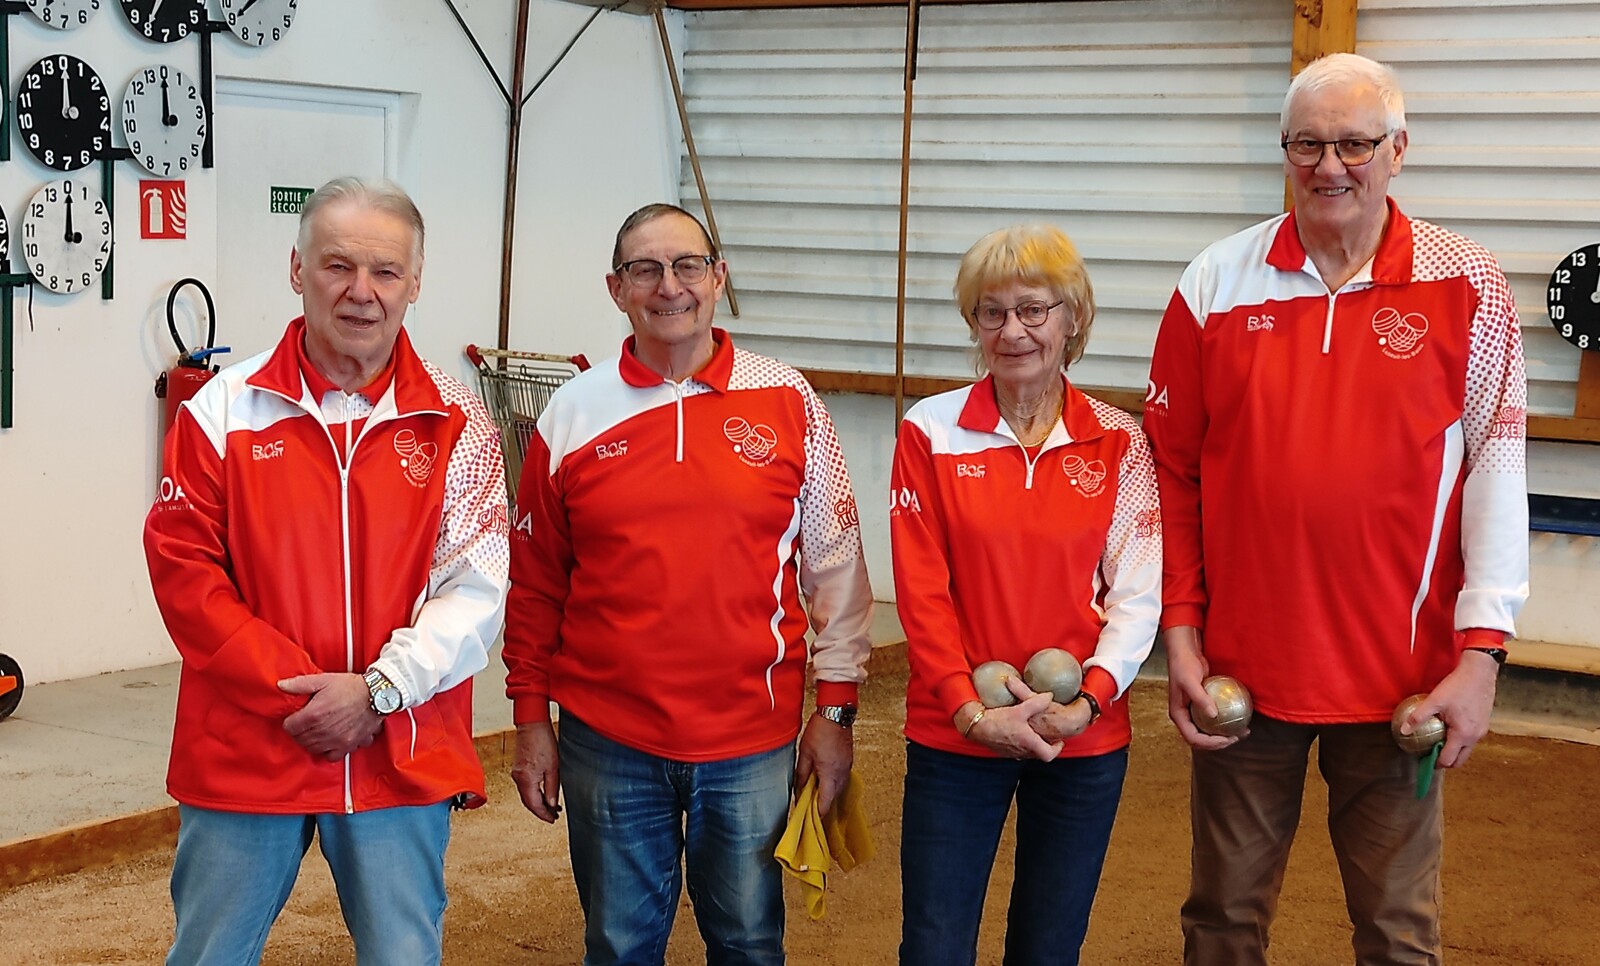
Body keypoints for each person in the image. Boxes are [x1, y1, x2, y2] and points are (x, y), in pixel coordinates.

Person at [1144, 53, 1529, 965]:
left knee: (1398, 933)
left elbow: (1496, 467)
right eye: (1308, 144)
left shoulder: (1467, 283)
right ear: (1285, 151)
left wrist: (1482, 654)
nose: (1330, 166)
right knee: (1223, 923)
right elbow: (1173, 473)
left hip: (1403, 679)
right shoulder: (1215, 282)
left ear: (1398, 151)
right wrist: (1184, 636)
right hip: (1244, 675)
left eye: (1354, 143)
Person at [142, 177, 509, 965]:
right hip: (249, 749)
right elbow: (186, 576)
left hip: (399, 747)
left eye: (384, 271)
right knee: (209, 956)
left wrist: (377, 693)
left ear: (415, 283)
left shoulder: (457, 417)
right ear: (296, 269)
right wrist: (305, 696)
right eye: (338, 265)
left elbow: (475, 587)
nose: (361, 292)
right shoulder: (222, 408)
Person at [504, 203, 874, 965]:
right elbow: (536, 584)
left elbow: (835, 568)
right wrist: (531, 717)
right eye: (645, 269)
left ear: (718, 278)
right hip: (608, 740)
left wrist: (835, 711)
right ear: (616, 289)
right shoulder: (571, 413)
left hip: (751, 739)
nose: (668, 286)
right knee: (618, 945)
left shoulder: (789, 399)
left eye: (687, 266)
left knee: (746, 941)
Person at [890, 224, 1162, 966]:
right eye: (992, 312)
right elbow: (921, 589)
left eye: (1034, 310)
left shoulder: (1120, 439)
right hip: (959, 731)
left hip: (1083, 734)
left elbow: (1138, 590)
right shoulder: (931, 431)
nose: (1013, 331)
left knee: (1049, 946)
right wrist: (969, 710)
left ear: (1073, 318)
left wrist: (1090, 698)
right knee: (935, 945)